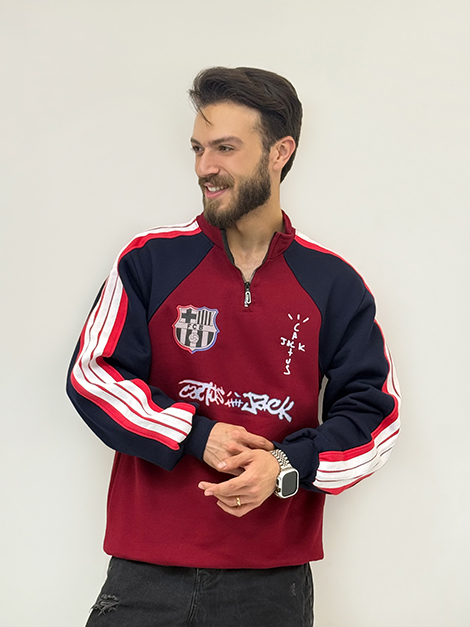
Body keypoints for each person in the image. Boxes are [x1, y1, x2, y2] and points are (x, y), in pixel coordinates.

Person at [67, 66, 400, 626]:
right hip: (147, 573)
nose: (205, 167)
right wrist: (197, 433)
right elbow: (91, 376)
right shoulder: (150, 261)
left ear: (279, 152)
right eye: (198, 149)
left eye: (225, 148)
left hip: (270, 585)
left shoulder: (334, 284)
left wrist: (285, 464)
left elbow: (375, 418)